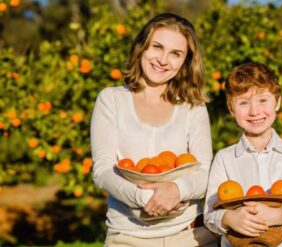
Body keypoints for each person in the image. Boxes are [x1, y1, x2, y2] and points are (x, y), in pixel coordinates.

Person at [90, 13, 218, 247]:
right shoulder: (112, 100)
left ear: (186, 62)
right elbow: (103, 171)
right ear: (141, 47)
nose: (163, 59)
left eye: (175, 54)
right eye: (157, 47)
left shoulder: (193, 106)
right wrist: (146, 199)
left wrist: (178, 191)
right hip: (128, 237)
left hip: (190, 236)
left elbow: (205, 171)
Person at [203, 62, 282, 246]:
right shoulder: (224, 158)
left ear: (277, 102)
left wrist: (277, 215)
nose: (254, 111)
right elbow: (209, 212)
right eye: (243, 103)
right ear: (231, 109)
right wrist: (229, 218)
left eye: (263, 100)